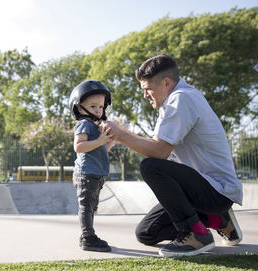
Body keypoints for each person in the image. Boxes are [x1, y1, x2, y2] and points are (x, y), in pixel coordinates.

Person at [100, 54, 243, 257]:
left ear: (166, 83)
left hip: (216, 191)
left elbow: (159, 152)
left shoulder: (181, 99)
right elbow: (157, 146)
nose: (145, 95)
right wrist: (122, 135)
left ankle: (196, 234)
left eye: (147, 89)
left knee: (150, 167)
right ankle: (218, 220)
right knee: (146, 233)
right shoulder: (171, 102)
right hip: (199, 188)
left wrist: (122, 135)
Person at [69, 80, 115, 252]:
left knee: (91, 207)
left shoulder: (96, 126)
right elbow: (79, 147)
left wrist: (109, 140)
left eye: (101, 107)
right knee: (86, 207)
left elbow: (102, 149)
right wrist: (100, 140)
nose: (98, 110)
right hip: (85, 174)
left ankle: (88, 235)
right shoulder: (84, 124)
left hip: (96, 174)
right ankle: (88, 237)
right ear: (80, 108)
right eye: (94, 106)